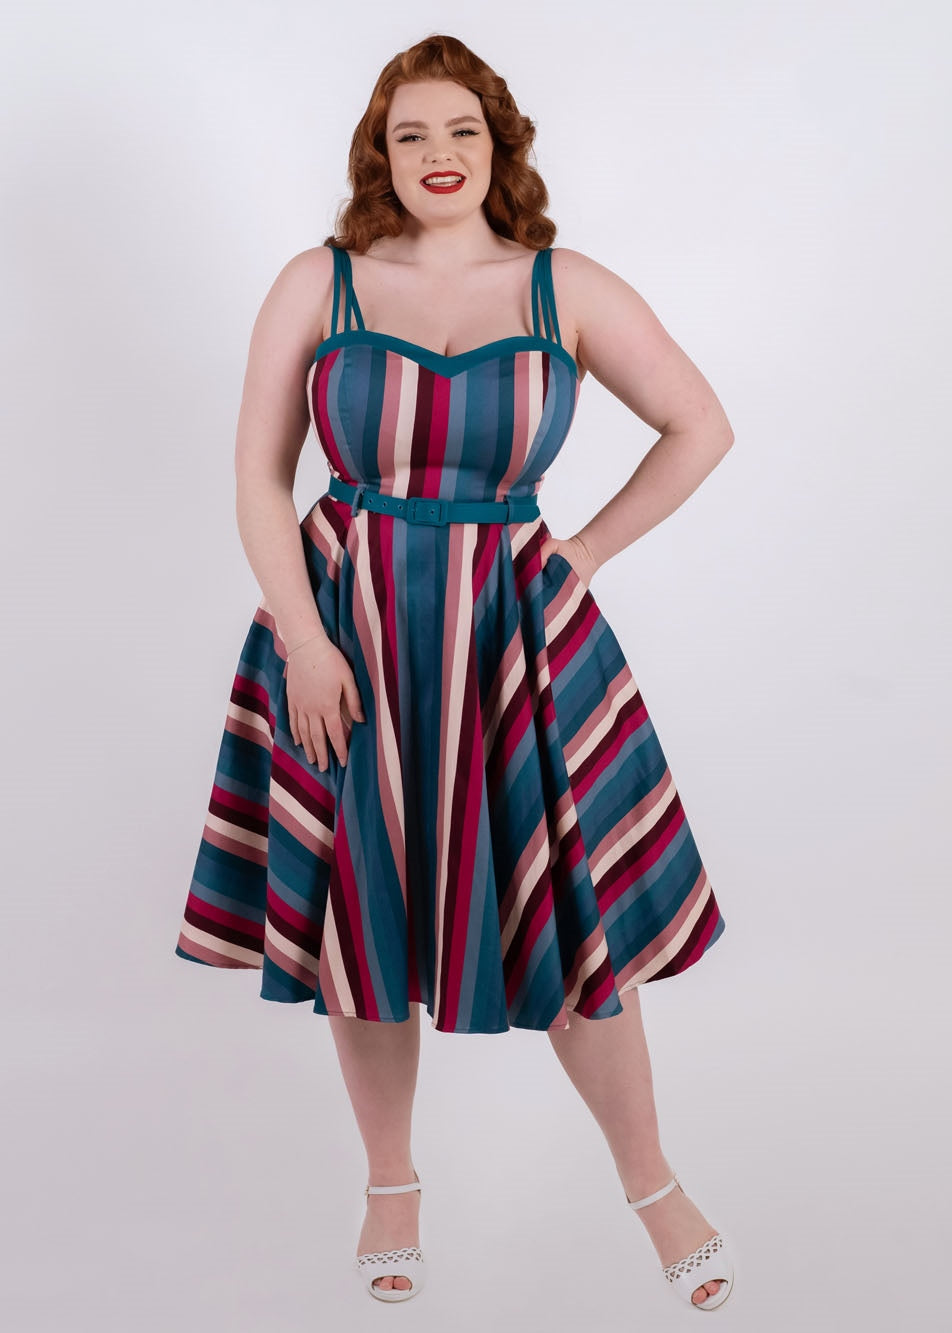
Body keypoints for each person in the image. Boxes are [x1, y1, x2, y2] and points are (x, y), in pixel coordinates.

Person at [174, 32, 736, 1312]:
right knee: (360, 907)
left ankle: (653, 1184)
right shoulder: (316, 283)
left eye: (461, 132)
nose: (437, 155)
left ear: (500, 147)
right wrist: (304, 643)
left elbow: (701, 422)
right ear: (381, 151)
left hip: (513, 643)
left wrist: (583, 549)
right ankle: (391, 1185)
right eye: (411, 133)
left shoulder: (565, 286)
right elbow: (259, 478)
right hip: (347, 634)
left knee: (568, 918)